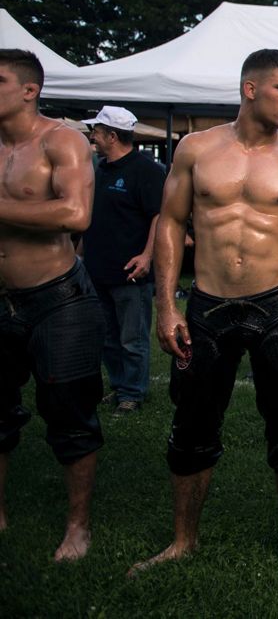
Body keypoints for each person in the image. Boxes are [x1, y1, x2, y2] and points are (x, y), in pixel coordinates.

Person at [131, 49, 278, 578]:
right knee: (193, 423)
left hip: (276, 305)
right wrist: (165, 304)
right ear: (251, 89)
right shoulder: (196, 149)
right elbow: (171, 223)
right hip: (207, 306)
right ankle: (184, 541)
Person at [0, 49, 103, 562]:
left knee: (68, 410)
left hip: (57, 297)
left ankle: (77, 526)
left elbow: (76, 213)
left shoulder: (60, 139)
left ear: (28, 89)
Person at [81, 105, 165, 417]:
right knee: (107, 336)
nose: (93, 137)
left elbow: (160, 216)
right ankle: (119, 385)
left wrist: (147, 256)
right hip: (97, 268)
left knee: (132, 338)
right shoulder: (100, 169)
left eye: (97, 132)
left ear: (112, 135)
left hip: (130, 271)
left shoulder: (147, 170)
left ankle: (132, 392)